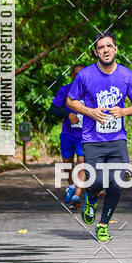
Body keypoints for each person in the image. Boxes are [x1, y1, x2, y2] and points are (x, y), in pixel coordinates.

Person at [66, 31, 132, 242]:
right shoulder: (85, 76)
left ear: (116, 49)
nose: (105, 50)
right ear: (96, 52)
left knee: (117, 182)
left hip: (117, 139)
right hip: (93, 139)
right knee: (96, 180)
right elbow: (71, 101)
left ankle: (102, 225)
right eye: (101, 47)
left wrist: (124, 111)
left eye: (109, 46)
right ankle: (91, 199)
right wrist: (90, 112)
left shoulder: (127, 75)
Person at [50, 64, 85, 210]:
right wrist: (68, 114)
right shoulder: (65, 90)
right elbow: (53, 109)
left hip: (85, 134)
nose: (79, 77)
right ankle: (71, 185)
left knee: (82, 161)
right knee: (67, 162)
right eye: (76, 74)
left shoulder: (91, 91)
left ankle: (77, 195)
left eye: (81, 74)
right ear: (72, 75)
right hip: (68, 133)